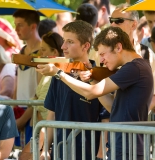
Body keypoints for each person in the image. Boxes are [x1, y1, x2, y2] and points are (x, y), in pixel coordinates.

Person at [37, 26, 153, 160]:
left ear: (118, 47)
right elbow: (113, 107)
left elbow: (91, 93)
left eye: (103, 54)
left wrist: (58, 73)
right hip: (123, 144)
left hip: (128, 146)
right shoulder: (134, 67)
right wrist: (92, 79)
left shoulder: (134, 67)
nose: (102, 60)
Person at [39, 20, 102, 160]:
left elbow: (105, 119)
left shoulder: (99, 77)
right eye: (63, 41)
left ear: (86, 46)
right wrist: (45, 149)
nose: (63, 46)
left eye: (70, 42)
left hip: (88, 152)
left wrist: (100, 155)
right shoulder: (58, 75)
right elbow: (52, 114)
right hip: (60, 150)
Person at [110, 3, 155, 112]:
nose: (113, 25)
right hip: (105, 124)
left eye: (119, 21)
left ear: (133, 24)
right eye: (111, 20)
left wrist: (138, 113)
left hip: (136, 125)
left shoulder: (147, 54)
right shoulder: (100, 53)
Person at [18, 31, 64, 160]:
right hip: (43, 127)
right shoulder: (46, 74)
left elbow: (43, 104)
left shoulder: (57, 75)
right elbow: (38, 99)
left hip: (50, 130)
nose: (41, 54)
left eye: (43, 50)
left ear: (55, 52)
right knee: (24, 156)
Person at [13, 9, 42, 147]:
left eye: (20, 25)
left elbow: (40, 93)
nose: (16, 29)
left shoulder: (43, 52)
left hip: (34, 114)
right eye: (15, 24)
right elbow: (17, 84)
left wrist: (22, 119)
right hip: (20, 111)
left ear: (33, 26)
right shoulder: (22, 51)